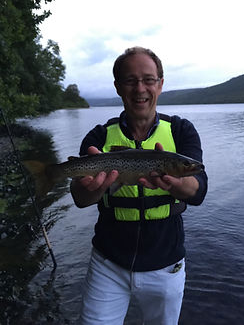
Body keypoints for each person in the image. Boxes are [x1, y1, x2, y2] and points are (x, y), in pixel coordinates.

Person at [70, 46, 208, 325]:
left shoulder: (181, 131)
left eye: (148, 79)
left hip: (167, 264)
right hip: (108, 262)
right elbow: (80, 198)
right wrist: (94, 187)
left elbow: (199, 189)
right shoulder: (98, 136)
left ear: (160, 84)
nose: (140, 88)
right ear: (119, 87)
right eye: (131, 81)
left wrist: (176, 183)